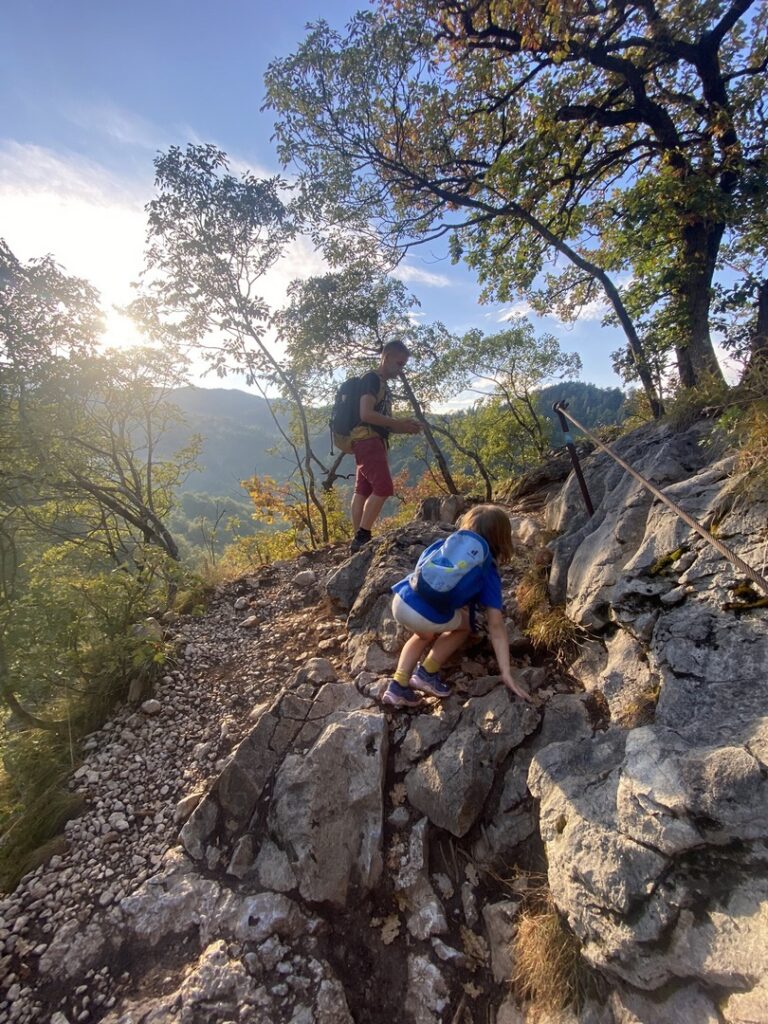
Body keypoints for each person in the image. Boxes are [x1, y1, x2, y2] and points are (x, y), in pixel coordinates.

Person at [381, 504, 533, 707]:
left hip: (402, 600)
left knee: (421, 635)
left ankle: (397, 686)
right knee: (464, 628)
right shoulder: (487, 569)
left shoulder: (446, 544)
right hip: (423, 615)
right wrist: (506, 672)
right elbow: (496, 625)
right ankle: (427, 673)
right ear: (501, 539)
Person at [349, 340, 422, 552]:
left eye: (403, 366)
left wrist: (404, 427)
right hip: (368, 441)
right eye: (399, 364)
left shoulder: (379, 383)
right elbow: (366, 414)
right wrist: (397, 424)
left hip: (366, 440)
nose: (401, 370)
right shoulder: (372, 379)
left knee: (362, 490)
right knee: (383, 488)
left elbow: (381, 423)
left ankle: (357, 539)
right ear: (387, 356)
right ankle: (362, 537)